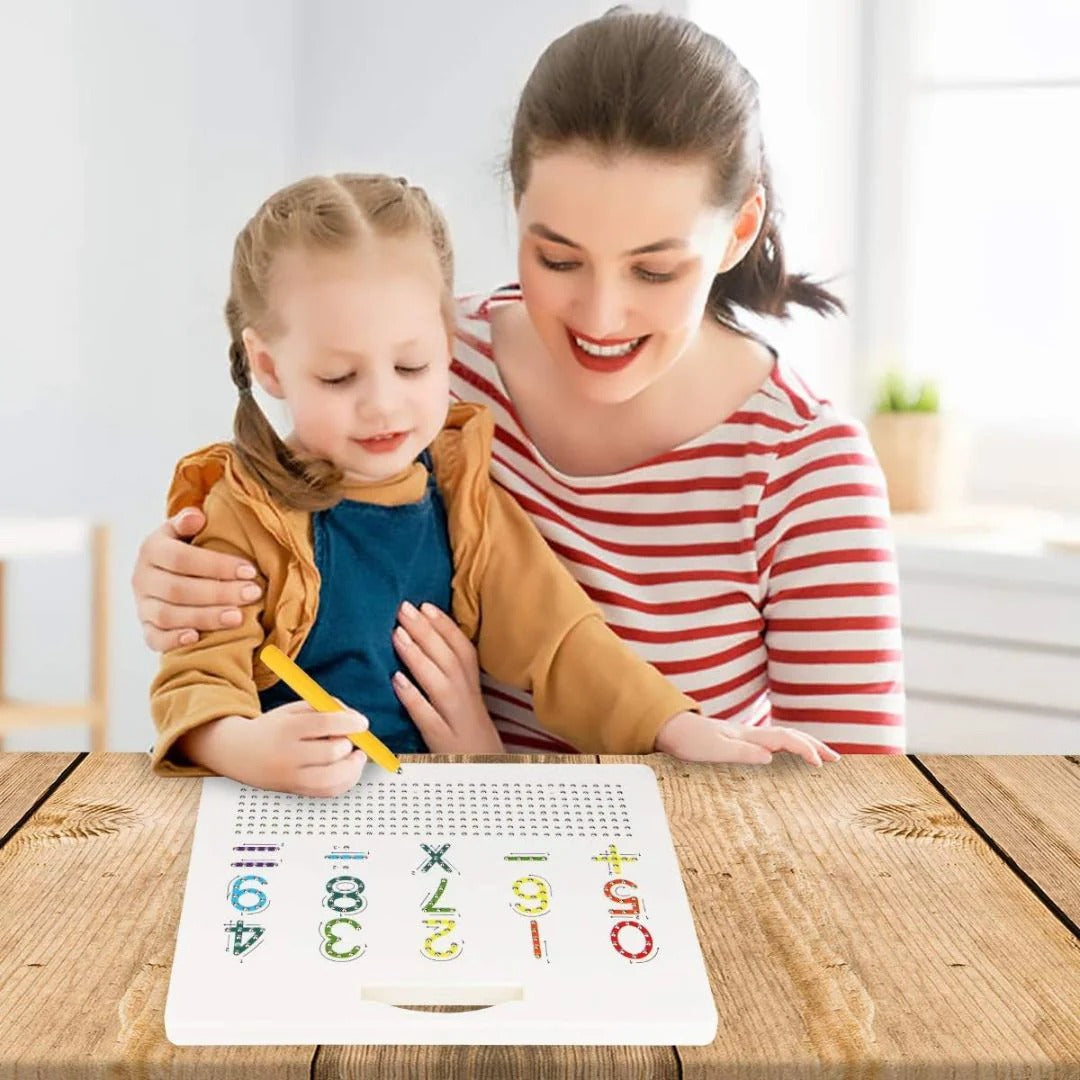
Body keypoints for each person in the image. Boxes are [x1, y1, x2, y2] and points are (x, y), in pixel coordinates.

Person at [134, 9, 904, 760]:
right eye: (559, 259)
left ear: (738, 231)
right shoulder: (429, 368)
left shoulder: (804, 468)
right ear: (518, 210)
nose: (601, 317)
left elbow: (854, 827)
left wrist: (493, 770)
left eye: (654, 269)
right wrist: (182, 580)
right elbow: (264, 546)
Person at [151, 171, 836, 797]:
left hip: (435, 821)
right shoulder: (240, 512)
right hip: (275, 833)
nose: (383, 405)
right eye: (339, 378)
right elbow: (194, 679)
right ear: (269, 367)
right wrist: (244, 747)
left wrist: (678, 729)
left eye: (413, 366)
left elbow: (563, 643)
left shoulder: (465, 499)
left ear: (448, 342)